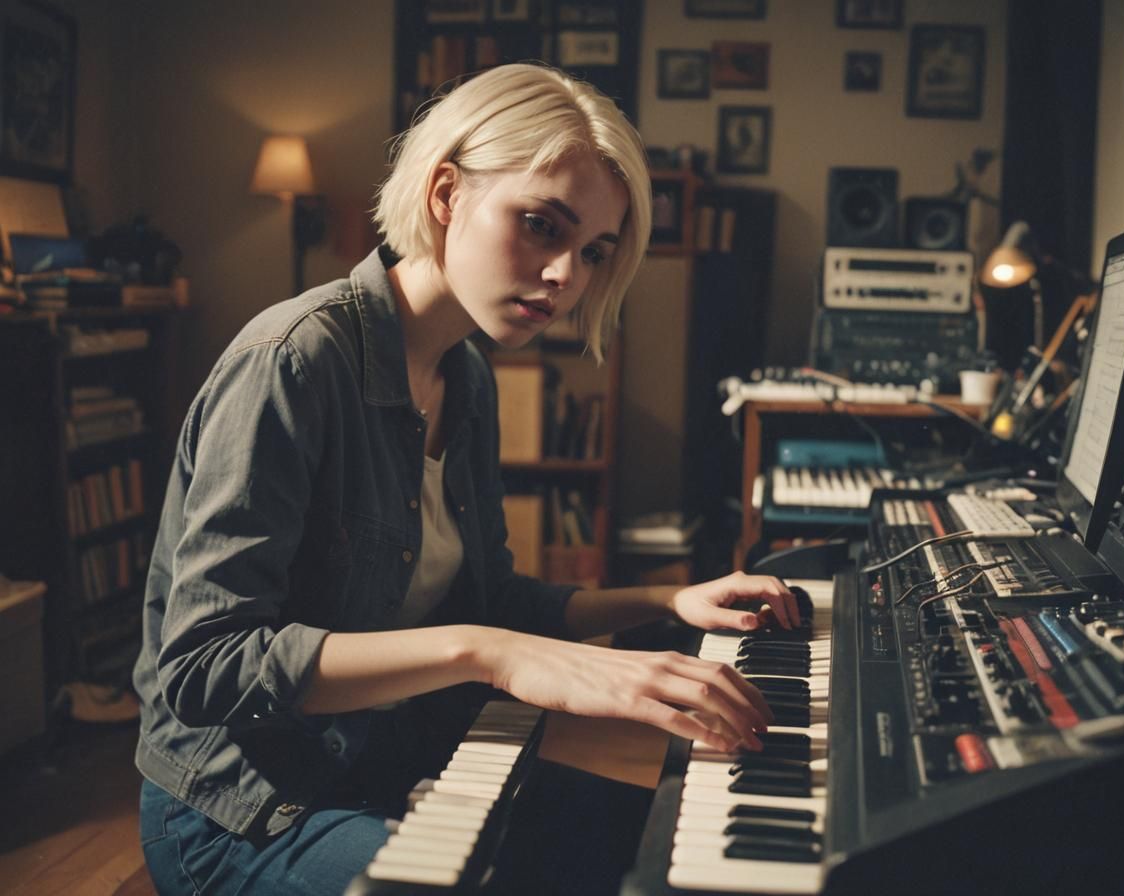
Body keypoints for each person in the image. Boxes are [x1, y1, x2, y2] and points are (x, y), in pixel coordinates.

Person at [133, 62, 801, 896]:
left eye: (592, 251)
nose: (567, 276)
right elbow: (204, 666)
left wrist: (665, 602)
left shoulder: (468, 376)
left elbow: (491, 603)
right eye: (540, 225)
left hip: (391, 762)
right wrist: (491, 657)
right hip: (247, 811)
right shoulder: (293, 362)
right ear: (446, 192)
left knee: (664, 847)